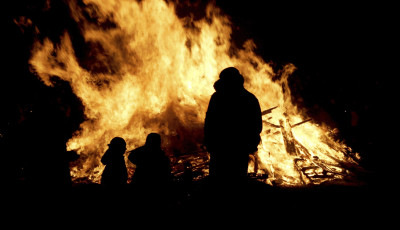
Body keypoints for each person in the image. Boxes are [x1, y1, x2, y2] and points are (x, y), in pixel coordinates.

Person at [204, 67, 262, 184]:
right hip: (237, 148)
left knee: (218, 182)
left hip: (222, 147)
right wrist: (251, 144)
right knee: (237, 181)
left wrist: (209, 142)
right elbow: (256, 126)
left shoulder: (217, 98)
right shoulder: (250, 98)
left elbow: (209, 123)